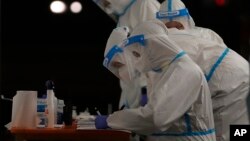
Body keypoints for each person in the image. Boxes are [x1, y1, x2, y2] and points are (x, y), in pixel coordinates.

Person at [96, 20, 216, 141]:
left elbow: (156, 117)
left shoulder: (185, 71)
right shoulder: (166, 71)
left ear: (154, 46)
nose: (136, 60)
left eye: (137, 53)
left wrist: (111, 120)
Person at [156, 0, 250, 140]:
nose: (173, 29)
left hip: (221, 86)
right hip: (236, 77)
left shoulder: (157, 44)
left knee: (223, 132)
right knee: (235, 130)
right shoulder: (207, 34)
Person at [95, 0, 160, 109]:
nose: (102, 3)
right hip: (133, 89)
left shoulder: (144, 4)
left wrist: (145, 87)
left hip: (150, 89)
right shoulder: (123, 15)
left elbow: (156, 48)